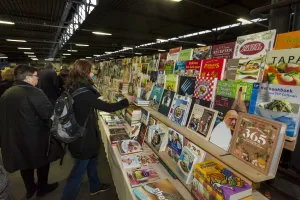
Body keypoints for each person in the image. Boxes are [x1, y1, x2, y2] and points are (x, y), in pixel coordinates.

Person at [61, 60, 129, 200]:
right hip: (83, 139)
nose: (93, 73)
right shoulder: (84, 92)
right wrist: (127, 101)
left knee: (93, 161)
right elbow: (109, 108)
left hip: (83, 135)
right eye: (91, 71)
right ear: (85, 73)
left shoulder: (74, 86)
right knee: (78, 173)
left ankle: (95, 186)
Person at [0, 65, 59, 199]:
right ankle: (42, 188)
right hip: (36, 136)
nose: (37, 78)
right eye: (36, 76)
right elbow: (48, 113)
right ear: (28, 77)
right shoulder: (35, 92)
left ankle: (30, 189)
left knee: (24, 164)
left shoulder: (7, 93)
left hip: (16, 137)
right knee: (43, 162)